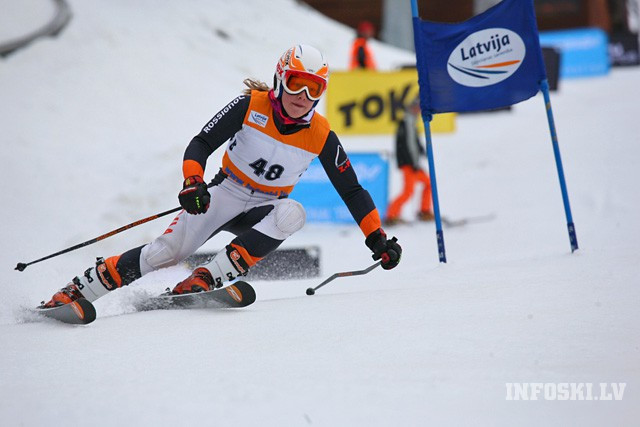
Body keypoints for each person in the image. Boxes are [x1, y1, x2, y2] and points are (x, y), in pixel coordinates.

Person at [42, 44, 402, 308]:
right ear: (280, 78)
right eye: (295, 83)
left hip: (265, 206)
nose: (302, 96)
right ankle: (75, 292)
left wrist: (377, 238)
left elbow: (352, 190)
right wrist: (193, 182)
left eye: (314, 89)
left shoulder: (321, 134)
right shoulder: (250, 105)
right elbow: (201, 143)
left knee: (293, 213)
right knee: (165, 253)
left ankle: (206, 278)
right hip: (225, 192)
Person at [384, 98, 434, 226]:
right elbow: (407, 144)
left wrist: (422, 150)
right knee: (408, 191)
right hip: (409, 164)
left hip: (413, 163)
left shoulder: (411, 122)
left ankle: (424, 210)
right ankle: (391, 215)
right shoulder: (406, 122)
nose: (418, 111)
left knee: (428, 183)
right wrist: (412, 162)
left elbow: (413, 142)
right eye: (417, 108)